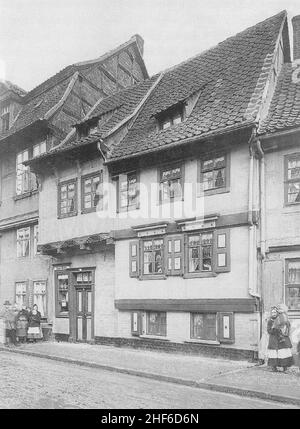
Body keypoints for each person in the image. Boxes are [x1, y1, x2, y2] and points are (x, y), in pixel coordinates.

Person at [267, 305, 294, 372]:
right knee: (274, 353)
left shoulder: (283, 318)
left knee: (284, 352)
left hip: (283, 338)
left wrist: (284, 328)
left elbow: (288, 326)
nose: (273, 314)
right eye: (272, 312)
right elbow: (269, 330)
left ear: (277, 313)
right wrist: (275, 329)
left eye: (275, 312)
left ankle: (285, 368)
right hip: (274, 339)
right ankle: (274, 368)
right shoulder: (270, 321)